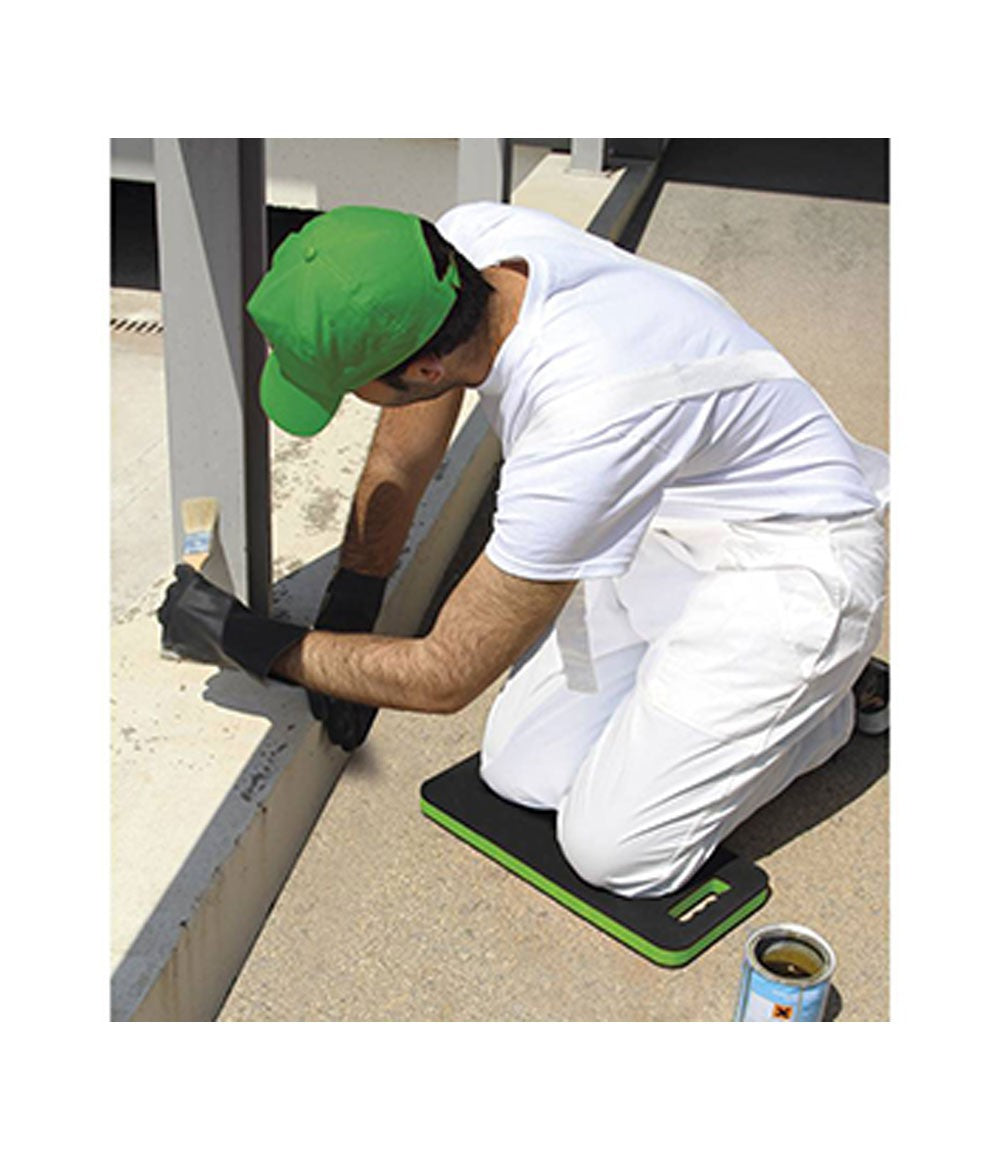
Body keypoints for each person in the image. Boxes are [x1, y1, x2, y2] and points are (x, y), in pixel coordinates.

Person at [158, 202, 889, 899]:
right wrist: (357, 588)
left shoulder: (583, 424)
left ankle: (820, 703)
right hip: (653, 515)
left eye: (353, 387)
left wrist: (252, 643)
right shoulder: (466, 249)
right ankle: (726, 702)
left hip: (790, 560)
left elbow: (447, 674)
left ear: (423, 369)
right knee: (521, 771)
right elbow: (410, 441)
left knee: (614, 851)